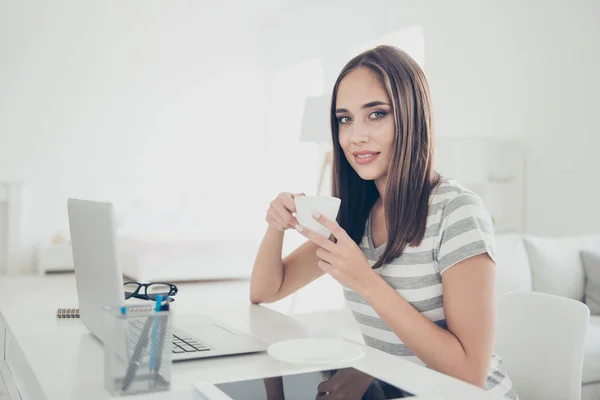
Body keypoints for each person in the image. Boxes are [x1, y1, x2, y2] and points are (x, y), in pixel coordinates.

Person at [250, 45, 518, 400]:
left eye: (376, 114)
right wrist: (275, 225)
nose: (355, 135)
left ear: (411, 115)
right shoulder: (355, 217)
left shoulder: (457, 212)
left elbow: (468, 375)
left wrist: (366, 281)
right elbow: (266, 291)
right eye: (345, 119)